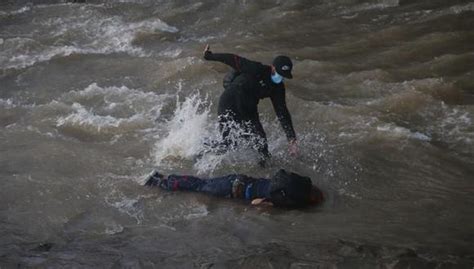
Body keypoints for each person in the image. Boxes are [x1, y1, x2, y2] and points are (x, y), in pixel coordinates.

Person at [203, 45, 297, 166]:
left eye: (283, 76)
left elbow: (282, 111)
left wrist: (291, 139)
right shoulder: (256, 69)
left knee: (262, 144)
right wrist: (209, 56)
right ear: (272, 68)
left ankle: (263, 173)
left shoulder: (278, 88)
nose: (280, 78)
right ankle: (203, 150)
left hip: (249, 108)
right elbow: (233, 59)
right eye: (279, 74)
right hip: (229, 103)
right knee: (229, 144)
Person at [144, 169, 323, 208]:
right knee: (199, 187)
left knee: (200, 183)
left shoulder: (292, 184)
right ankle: (157, 182)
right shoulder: (282, 198)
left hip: (238, 178)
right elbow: (255, 202)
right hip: (231, 191)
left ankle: (163, 178)